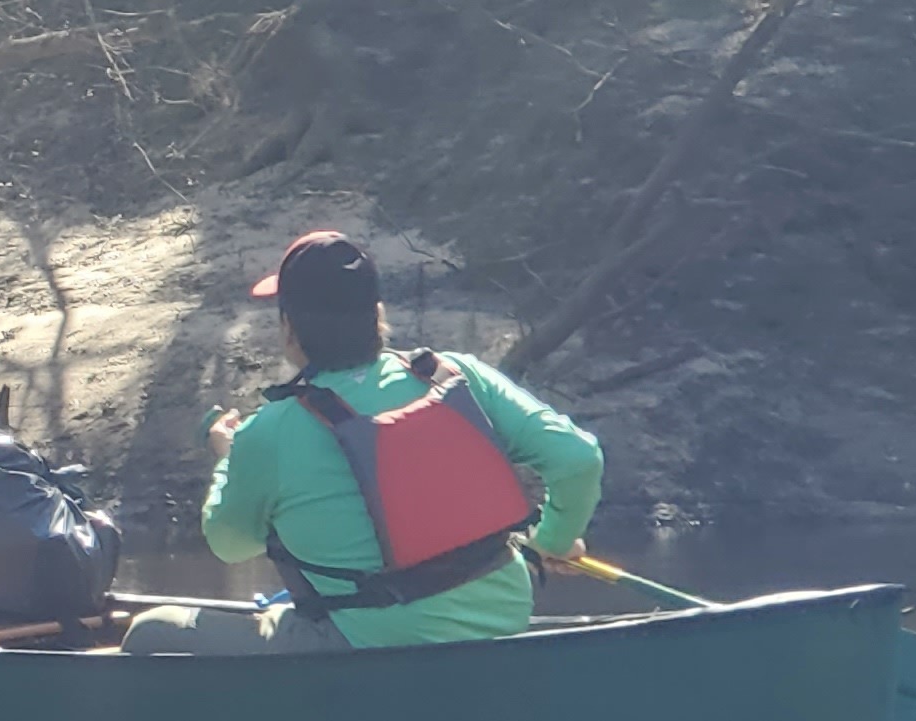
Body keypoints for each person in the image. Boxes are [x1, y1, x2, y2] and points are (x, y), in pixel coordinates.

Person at [121, 230, 604, 655]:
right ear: (377, 314)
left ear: (289, 329)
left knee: (151, 631)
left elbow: (230, 545)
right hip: (503, 621)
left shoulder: (268, 431)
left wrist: (228, 458)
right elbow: (578, 458)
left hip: (368, 642)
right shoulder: (458, 377)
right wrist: (551, 541)